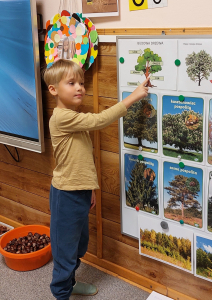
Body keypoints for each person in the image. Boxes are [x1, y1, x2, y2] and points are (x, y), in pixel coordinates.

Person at [43, 59, 149, 300]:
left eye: (81, 82)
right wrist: (133, 97)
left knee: (79, 245)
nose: (80, 87)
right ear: (53, 90)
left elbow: (81, 160)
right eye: (71, 83)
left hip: (79, 191)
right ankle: (61, 292)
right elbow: (99, 121)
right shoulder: (61, 118)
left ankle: (69, 283)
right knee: (65, 250)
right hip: (65, 195)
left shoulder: (73, 116)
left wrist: (90, 189)